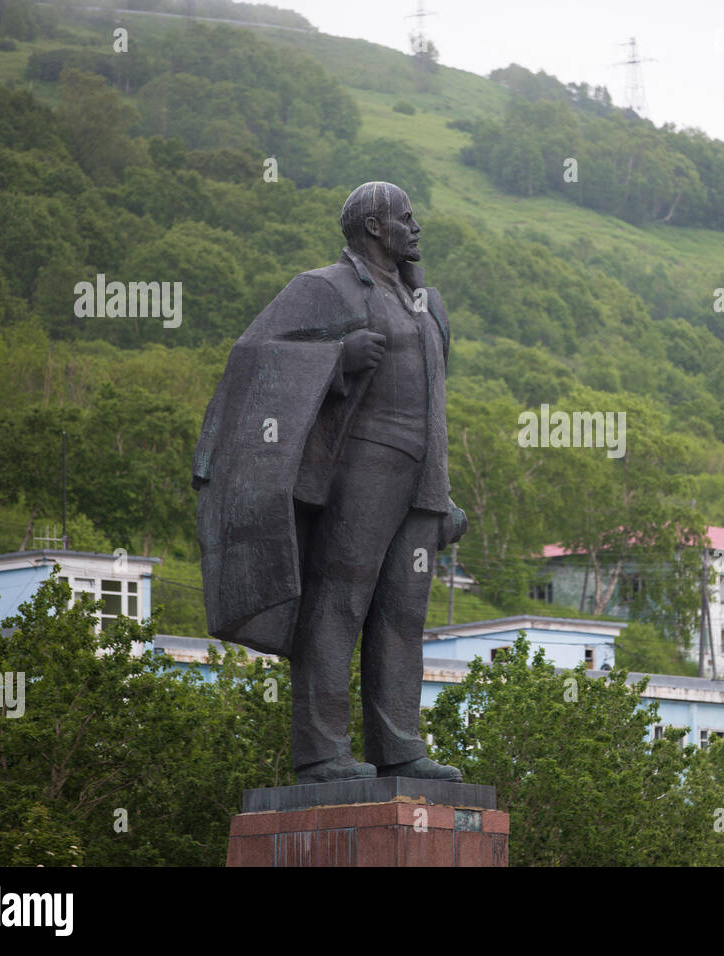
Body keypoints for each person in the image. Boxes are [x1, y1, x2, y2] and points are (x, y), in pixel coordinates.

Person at [192, 181, 466, 784]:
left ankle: (399, 747)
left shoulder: (428, 302)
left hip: (421, 478)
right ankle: (322, 753)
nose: (416, 228)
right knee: (338, 602)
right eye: (406, 218)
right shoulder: (324, 287)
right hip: (361, 469)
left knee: (403, 612)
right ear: (374, 226)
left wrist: (442, 492)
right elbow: (253, 357)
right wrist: (336, 357)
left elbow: (437, 401)